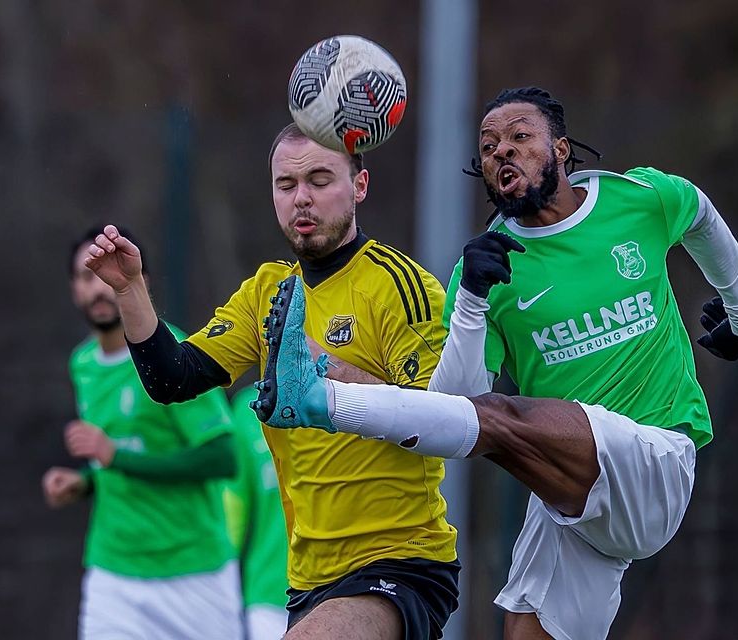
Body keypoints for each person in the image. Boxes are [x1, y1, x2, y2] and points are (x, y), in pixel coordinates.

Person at [252, 87, 738, 640]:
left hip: (656, 459)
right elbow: (451, 410)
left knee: (504, 417)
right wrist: (471, 298)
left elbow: (699, 213)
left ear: (562, 149)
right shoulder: (487, 267)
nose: (502, 151)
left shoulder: (636, 198)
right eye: (490, 144)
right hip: (571, 504)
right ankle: (312, 389)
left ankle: (317, 397)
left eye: (520, 137)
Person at [83, 124, 460, 640]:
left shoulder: (401, 285)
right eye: (286, 185)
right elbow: (172, 380)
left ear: (360, 185)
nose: (301, 198)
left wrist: (321, 372)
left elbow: (442, 420)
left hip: (399, 564)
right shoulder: (267, 291)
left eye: (320, 180)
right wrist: (129, 290)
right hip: (307, 578)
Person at [41, 226, 242, 640]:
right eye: (85, 277)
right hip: (112, 573)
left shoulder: (175, 355)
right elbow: (120, 456)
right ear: (73, 289)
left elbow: (222, 458)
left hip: (193, 573)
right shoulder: (83, 364)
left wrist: (117, 458)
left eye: (105, 275)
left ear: (138, 282)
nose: (98, 289)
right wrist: (84, 482)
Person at [224, 385, 290, 639]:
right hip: (268, 597)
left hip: (345, 589)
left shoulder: (351, 392)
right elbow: (233, 506)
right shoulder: (247, 408)